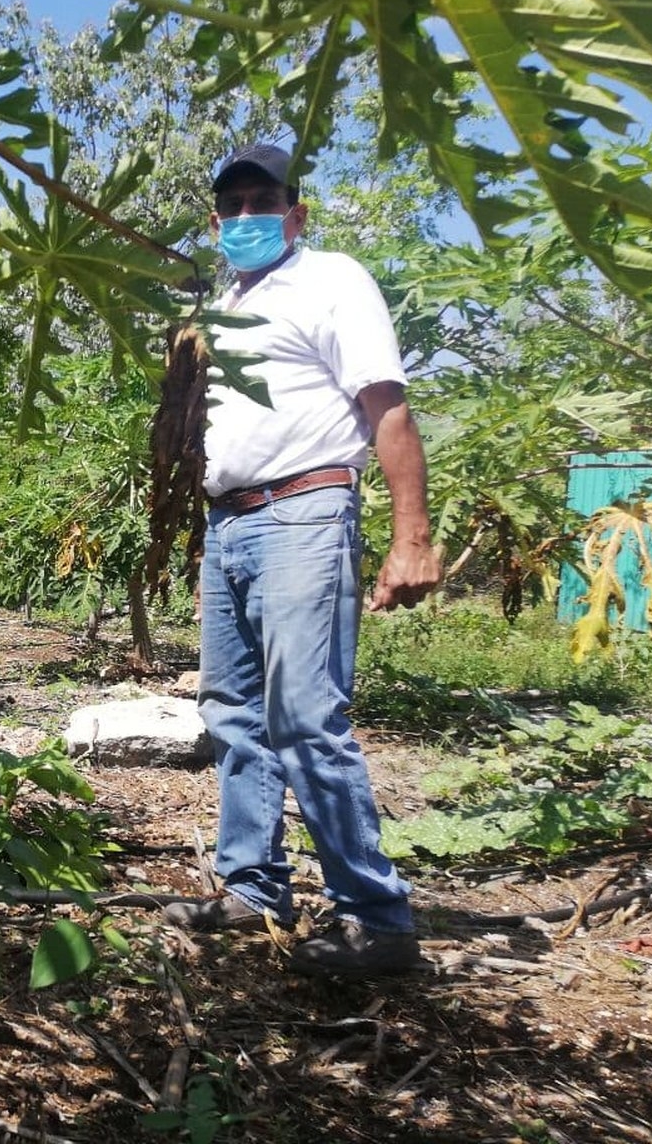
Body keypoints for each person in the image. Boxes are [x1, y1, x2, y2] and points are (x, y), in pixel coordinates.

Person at [162, 143, 442, 976]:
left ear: (295, 212)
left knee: (306, 716)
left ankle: (377, 920)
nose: (246, 216)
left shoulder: (332, 280)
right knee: (233, 715)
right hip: (232, 523)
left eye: (263, 200)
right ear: (215, 224)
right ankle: (253, 889)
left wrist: (412, 535)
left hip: (305, 511)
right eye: (232, 206)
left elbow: (385, 406)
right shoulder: (222, 305)